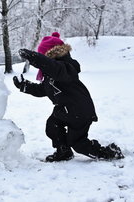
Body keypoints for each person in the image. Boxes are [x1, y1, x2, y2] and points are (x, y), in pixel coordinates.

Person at [13, 32, 124, 162]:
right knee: (52, 125)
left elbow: (55, 68)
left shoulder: (66, 67)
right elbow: (43, 89)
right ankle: (63, 151)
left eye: (43, 56)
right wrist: (24, 86)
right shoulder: (49, 75)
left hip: (79, 111)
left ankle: (109, 153)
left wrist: (35, 58)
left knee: (78, 143)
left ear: (50, 55)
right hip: (65, 110)